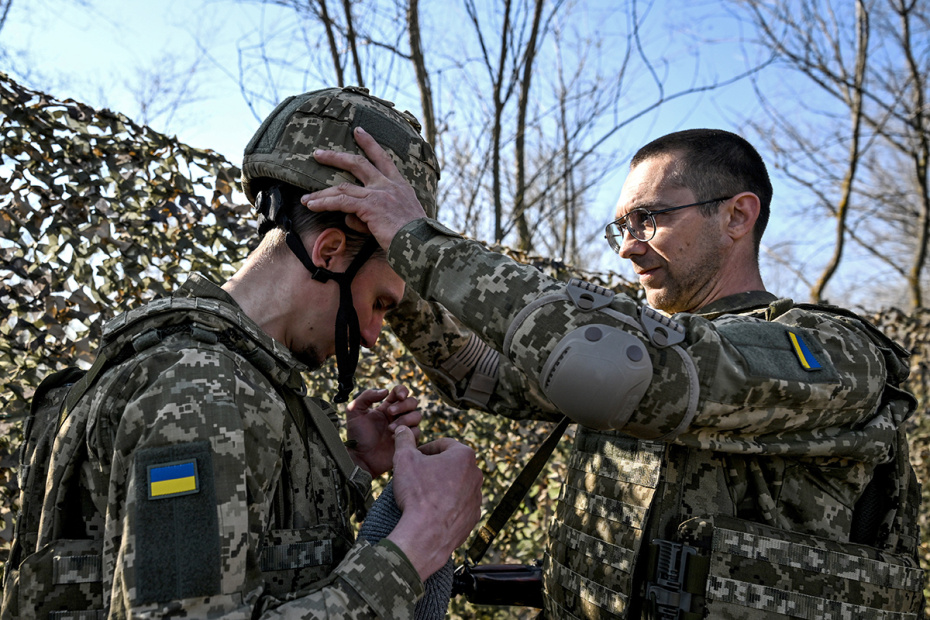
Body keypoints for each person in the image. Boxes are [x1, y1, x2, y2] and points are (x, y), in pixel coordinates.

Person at [301, 127, 924, 618]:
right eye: (620, 227)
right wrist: (397, 285)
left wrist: (419, 241)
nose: (627, 248)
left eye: (648, 219)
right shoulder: (638, 343)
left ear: (737, 216)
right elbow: (479, 372)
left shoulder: (834, 353)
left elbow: (629, 368)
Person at [0, 87, 482, 619]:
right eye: (380, 304)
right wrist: (416, 547)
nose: (371, 335)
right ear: (330, 252)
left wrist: (357, 467)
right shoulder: (198, 387)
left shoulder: (236, 380)